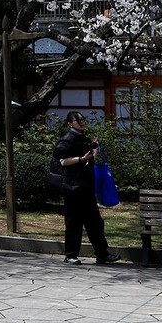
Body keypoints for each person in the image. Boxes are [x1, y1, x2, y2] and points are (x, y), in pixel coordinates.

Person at [53, 111, 120, 265]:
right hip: (73, 187)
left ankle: (102, 254)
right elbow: (62, 161)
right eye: (78, 120)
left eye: (83, 119)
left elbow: (90, 160)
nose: (82, 122)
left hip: (86, 187)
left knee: (95, 222)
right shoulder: (67, 139)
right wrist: (81, 158)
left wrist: (95, 147)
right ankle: (70, 255)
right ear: (70, 123)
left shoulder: (82, 138)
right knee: (73, 222)